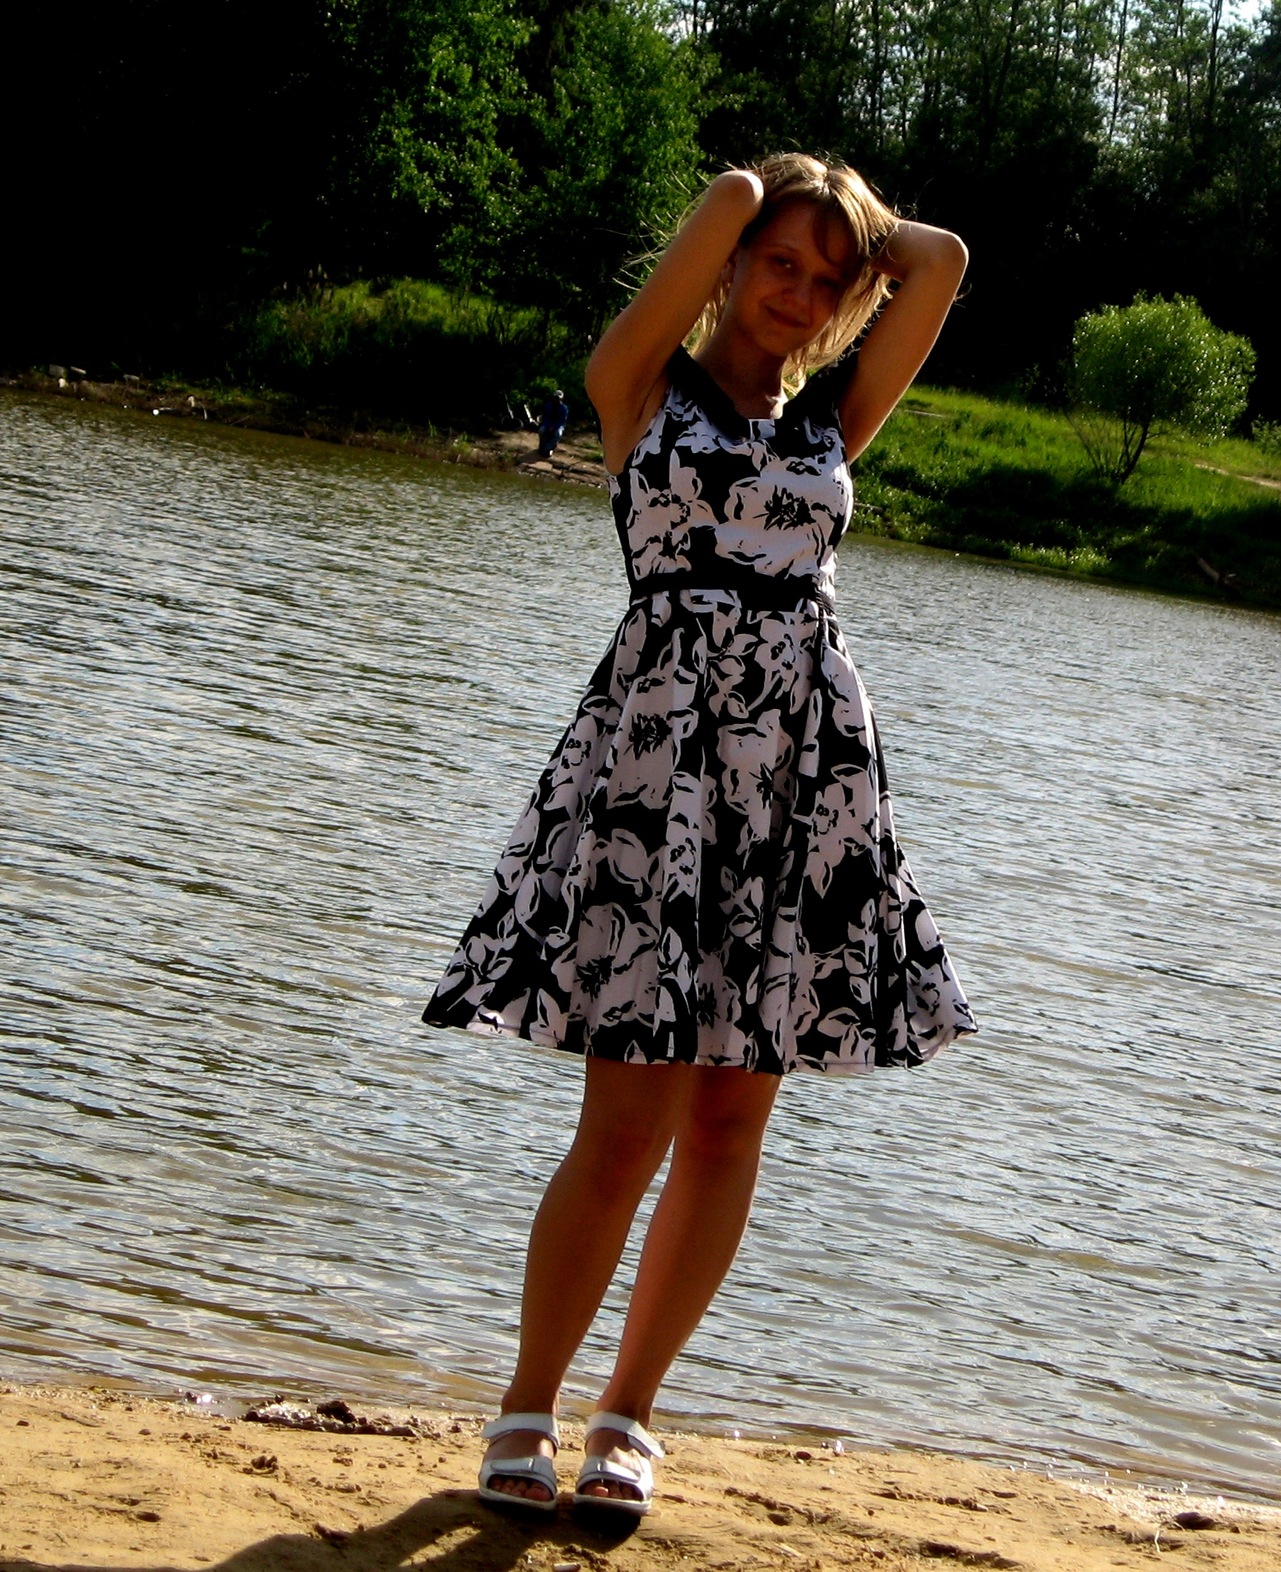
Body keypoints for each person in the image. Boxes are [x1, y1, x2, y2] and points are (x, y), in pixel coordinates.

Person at [424, 153, 976, 1525]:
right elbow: (731, 192)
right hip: (659, 771)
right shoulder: (639, 389)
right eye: (780, 263)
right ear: (729, 265)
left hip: (803, 781)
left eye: (827, 278)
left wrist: (860, 237)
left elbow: (945, 260)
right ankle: (526, 1407)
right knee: (625, 1123)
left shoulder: (834, 418)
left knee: (731, 1119)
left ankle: (629, 1417)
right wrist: (777, 203)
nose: (801, 291)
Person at [536, 388, 570, 459]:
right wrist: (548, 425)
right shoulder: (548, 406)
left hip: (558, 425)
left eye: (558, 398)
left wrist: (553, 427)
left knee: (558, 434)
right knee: (541, 431)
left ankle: (548, 448)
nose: (556, 399)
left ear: (561, 399)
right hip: (548, 423)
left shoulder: (564, 408)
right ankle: (543, 446)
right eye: (555, 397)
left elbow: (562, 420)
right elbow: (545, 417)